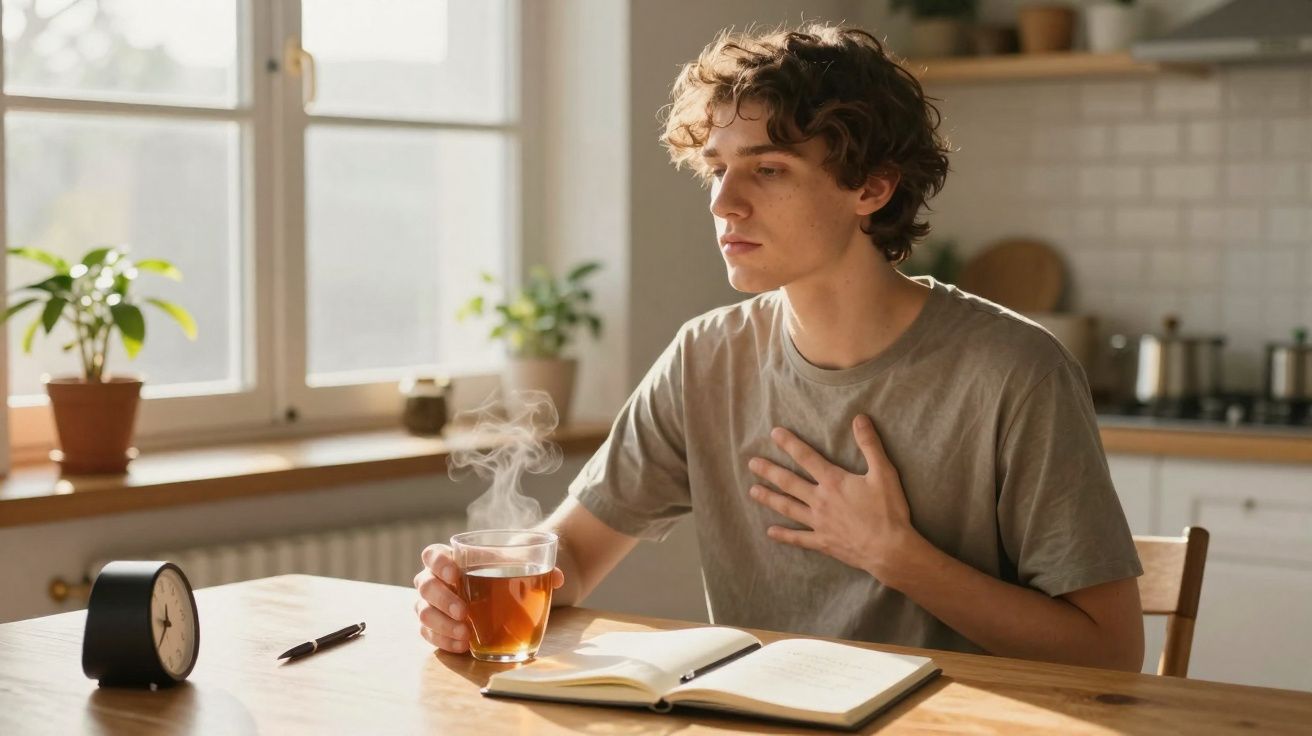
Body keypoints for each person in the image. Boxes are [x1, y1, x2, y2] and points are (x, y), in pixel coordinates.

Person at [415, 23, 1145, 671]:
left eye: (767, 170)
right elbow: (571, 555)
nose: (722, 202)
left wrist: (898, 557)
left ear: (873, 187)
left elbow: (1109, 652)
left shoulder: (1015, 371)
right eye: (716, 168)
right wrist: (466, 588)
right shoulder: (706, 357)